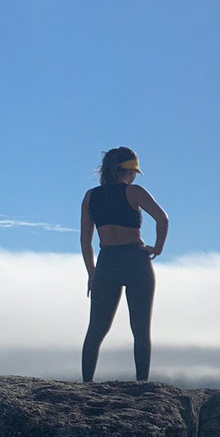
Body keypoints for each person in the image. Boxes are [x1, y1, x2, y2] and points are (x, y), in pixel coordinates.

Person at [80, 147, 169, 382]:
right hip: (135, 260)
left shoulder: (91, 197)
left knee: (96, 330)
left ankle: (86, 384)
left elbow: (85, 239)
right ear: (127, 171)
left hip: (107, 262)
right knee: (140, 330)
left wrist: (92, 273)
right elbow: (162, 218)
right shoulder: (134, 192)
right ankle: (142, 384)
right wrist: (157, 248)